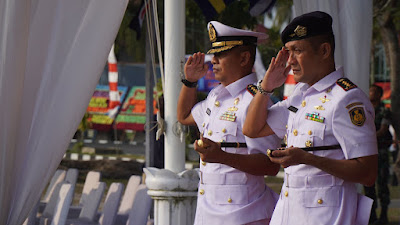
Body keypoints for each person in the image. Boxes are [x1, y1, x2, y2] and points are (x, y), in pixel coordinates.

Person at [243, 11, 378, 225]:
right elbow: (252, 129)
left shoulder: (347, 99)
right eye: (288, 52)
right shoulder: (300, 96)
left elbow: (368, 172)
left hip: (327, 217)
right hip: (290, 213)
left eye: (297, 51)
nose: (290, 61)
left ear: (324, 51)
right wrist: (266, 87)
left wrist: (307, 158)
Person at [177, 21, 281, 225]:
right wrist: (190, 82)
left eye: (221, 54)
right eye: (213, 54)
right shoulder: (215, 96)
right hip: (208, 210)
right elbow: (184, 116)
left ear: (244, 58)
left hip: (245, 213)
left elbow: (270, 165)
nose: (213, 60)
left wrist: (222, 156)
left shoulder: (254, 100)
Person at [365, 84, 391, 224]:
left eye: (374, 91)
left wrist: (367, 138)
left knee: (382, 184)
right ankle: (372, 214)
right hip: (368, 152)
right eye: (370, 90)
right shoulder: (365, 110)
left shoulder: (384, 111)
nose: (371, 93)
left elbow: (383, 129)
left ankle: (385, 214)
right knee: (368, 185)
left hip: (380, 152)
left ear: (380, 95)